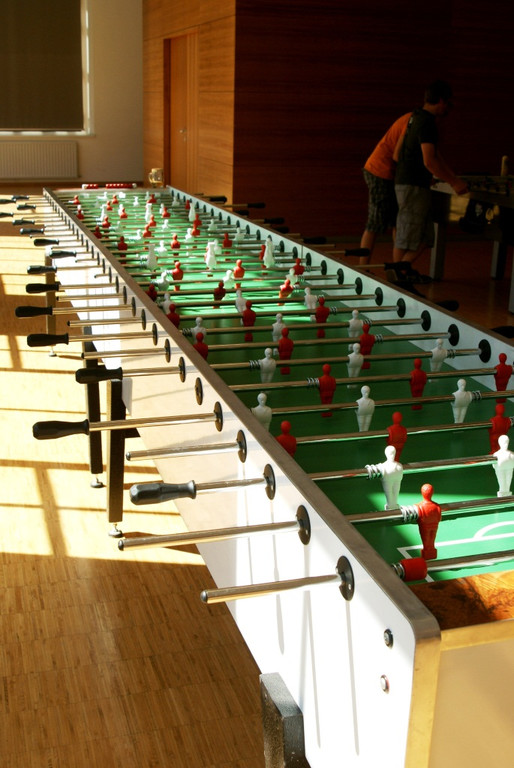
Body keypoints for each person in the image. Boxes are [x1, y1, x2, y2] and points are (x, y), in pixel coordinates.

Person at [393, 80, 468, 264]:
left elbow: (432, 155)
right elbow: (429, 160)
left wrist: (450, 176)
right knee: (406, 235)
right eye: (448, 104)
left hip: (411, 183)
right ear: (441, 101)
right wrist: (453, 182)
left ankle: (401, 270)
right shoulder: (427, 123)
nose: (448, 109)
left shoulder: (415, 117)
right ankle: (396, 273)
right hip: (413, 186)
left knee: (426, 237)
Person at [359, 111, 411, 264]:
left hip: (390, 174)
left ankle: (398, 267)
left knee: (397, 221)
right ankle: (362, 267)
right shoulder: (413, 121)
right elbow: (397, 155)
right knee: (375, 223)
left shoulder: (415, 119)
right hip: (379, 172)